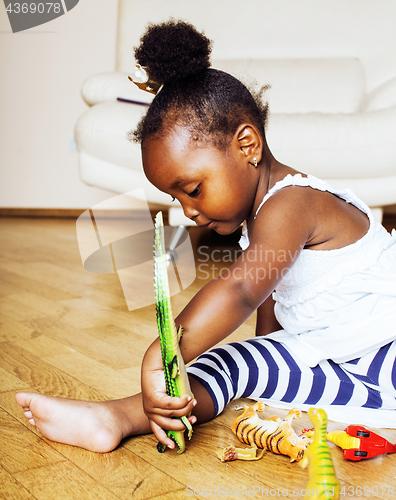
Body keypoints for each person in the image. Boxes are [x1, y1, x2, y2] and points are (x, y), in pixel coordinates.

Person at [16, 20, 396, 453]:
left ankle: (120, 414)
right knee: (232, 362)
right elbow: (271, 309)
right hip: (349, 370)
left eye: (193, 189)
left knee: (231, 360)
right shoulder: (266, 223)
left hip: (386, 355)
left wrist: (163, 352)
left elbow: (239, 289)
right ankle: (113, 418)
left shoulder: (293, 203)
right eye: (175, 197)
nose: (188, 212)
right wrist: (264, 370)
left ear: (247, 145)